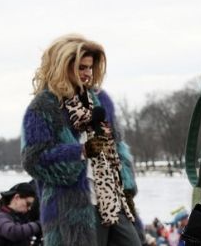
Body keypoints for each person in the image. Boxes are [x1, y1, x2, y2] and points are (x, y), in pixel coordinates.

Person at [22, 34, 141, 246]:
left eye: (89, 68)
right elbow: (34, 159)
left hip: (112, 200)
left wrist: (126, 184)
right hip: (72, 208)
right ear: (63, 67)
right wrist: (80, 151)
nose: (87, 74)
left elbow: (118, 145)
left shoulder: (100, 100)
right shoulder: (43, 107)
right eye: (81, 68)